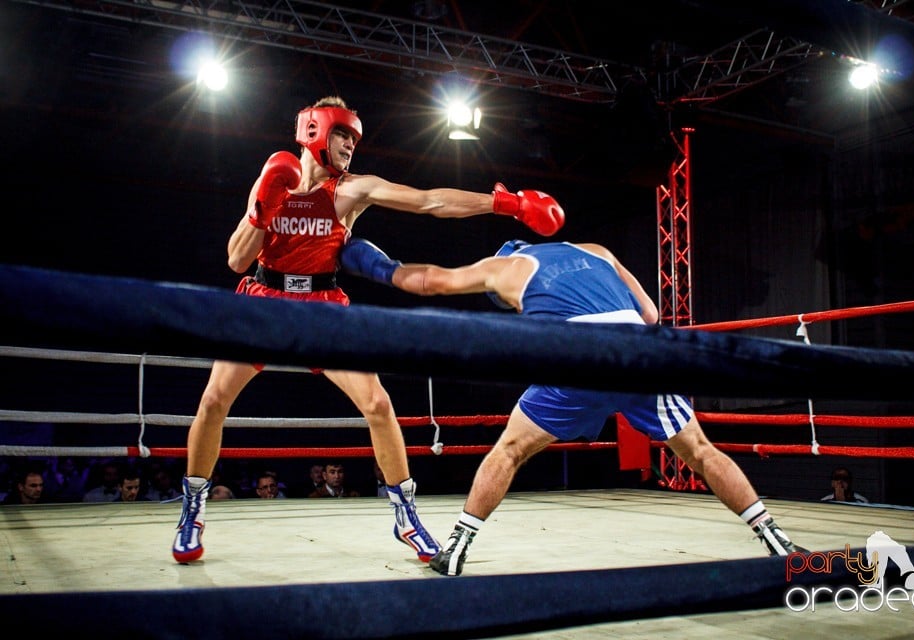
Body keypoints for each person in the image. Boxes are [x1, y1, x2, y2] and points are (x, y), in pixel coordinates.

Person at [172, 95, 565, 565]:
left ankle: (405, 514)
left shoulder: (352, 190)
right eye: (342, 134)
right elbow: (237, 259)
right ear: (315, 129)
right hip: (264, 299)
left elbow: (428, 202)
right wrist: (261, 208)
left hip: (323, 304)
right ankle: (193, 508)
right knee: (214, 399)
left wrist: (506, 204)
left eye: (353, 139)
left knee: (378, 404)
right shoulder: (274, 177)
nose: (349, 146)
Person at [340, 237, 807, 576]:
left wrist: (374, 263)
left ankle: (457, 549)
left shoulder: (504, 269)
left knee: (509, 451)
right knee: (700, 450)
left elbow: (431, 282)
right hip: (640, 349)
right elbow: (652, 315)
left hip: (578, 353)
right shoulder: (597, 250)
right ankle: (775, 539)